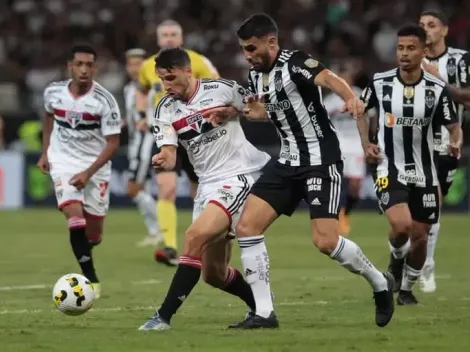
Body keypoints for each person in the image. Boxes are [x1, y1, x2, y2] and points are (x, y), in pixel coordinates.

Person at [223, 13, 394, 329]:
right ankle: (263, 313)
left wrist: (351, 98)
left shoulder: (295, 62)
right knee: (247, 228)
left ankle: (379, 281)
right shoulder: (256, 76)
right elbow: (269, 111)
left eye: (251, 48)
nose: (247, 55)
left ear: (271, 42)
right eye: (244, 49)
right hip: (287, 162)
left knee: (326, 242)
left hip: (320, 161)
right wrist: (247, 113)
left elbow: (329, 78)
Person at [137, 48, 270, 331]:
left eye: (171, 78)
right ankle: (262, 307)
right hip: (208, 184)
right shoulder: (164, 108)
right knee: (214, 274)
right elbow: (170, 152)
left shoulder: (222, 89)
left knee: (193, 237)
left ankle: (162, 317)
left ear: (188, 71)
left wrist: (234, 110)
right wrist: (163, 159)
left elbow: (262, 110)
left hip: (239, 176)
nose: (166, 85)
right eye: (161, 80)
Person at [359, 24, 462, 305]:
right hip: (388, 166)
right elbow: (360, 109)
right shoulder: (380, 82)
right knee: (402, 226)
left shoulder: (437, 88)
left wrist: (456, 140)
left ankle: (406, 289)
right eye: (400, 48)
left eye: (411, 48)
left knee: (421, 237)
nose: (404, 54)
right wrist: (366, 143)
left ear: (424, 52)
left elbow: (454, 126)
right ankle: (395, 259)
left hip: (426, 172)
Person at [37, 44, 122, 299]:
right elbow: (49, 117)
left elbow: (113, 142)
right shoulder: (53, 92)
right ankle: (91, 278)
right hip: (62, 160)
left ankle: (87, 248)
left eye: (89, 65)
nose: (84, 70)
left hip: (95, 166)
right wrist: (45, 152)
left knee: (93, 235)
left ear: (95, 69)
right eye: (79, 65)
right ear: (70, 66)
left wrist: (88, 172)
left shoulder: (105, 101)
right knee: (75, 218)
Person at [135, 19, 219, 266]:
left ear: (181, 38)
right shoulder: (147, 66)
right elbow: (141, 90)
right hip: (163, 132)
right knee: (166, 188)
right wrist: (141, 114)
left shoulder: (197, 61)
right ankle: (170, 247)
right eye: (165, 35)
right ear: (159, 39)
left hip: (195, 134)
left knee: (199, 192)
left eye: (174, 34)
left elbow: (217, 85)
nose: (169, 38)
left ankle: (202, 242)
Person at [419, 10, 470, 292]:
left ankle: (425, 263)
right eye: (422, 25)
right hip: (411, 143)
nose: (426, 30)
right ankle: (405, 258)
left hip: (446, 143)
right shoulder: (410, 57)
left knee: (432, 206)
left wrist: (440, 82)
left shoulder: (460, 60)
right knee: (409, 215)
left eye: (432, 25)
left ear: (445, 30)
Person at [123, 48, 163, 247]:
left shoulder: (153, 88)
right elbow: (132, 117)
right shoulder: (129, 89)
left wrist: (147, 121)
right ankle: (155, 232)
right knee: (141, 189)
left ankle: (161, 229)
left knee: (133, 188)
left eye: (139, 63)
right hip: (134, 143)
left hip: (146, 141)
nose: (135, 68)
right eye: (131, 64)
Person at [324, 64, 368, 236]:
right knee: (333, 182)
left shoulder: (360, 94)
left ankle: (345, 214)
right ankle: (332, 216)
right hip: (338, 144)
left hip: (356, 145)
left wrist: (368, 142)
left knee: (355, 187)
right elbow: (321, 117)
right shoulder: (331, 99)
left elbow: (370, 116)